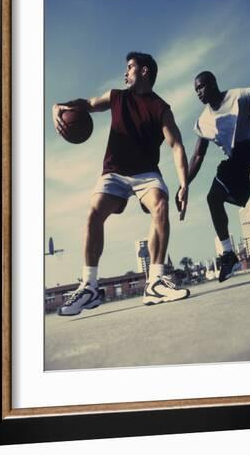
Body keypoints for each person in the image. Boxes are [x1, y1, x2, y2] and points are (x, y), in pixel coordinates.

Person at [53, 52, 190, 315]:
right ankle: (90, 287)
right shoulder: (117, 97)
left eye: (129, 67)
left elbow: (176, 146)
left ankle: (155, 282)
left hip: (145, 173)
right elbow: (89, 103)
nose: (125, 73)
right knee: (94, 212)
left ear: (145, 71)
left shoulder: (161, 108)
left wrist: (184, 184)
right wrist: (59, 105)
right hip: (114, 172)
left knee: (161, 204)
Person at [179, 70, 250, 282]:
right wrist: (184, 184)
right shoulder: (204, 121)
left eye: (201, 87)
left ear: (213, 84)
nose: (199, 93)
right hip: (234, 161)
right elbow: (197, 156)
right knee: (212, 198)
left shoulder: (239, 96)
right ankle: (229, 255)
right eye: (196, 90)